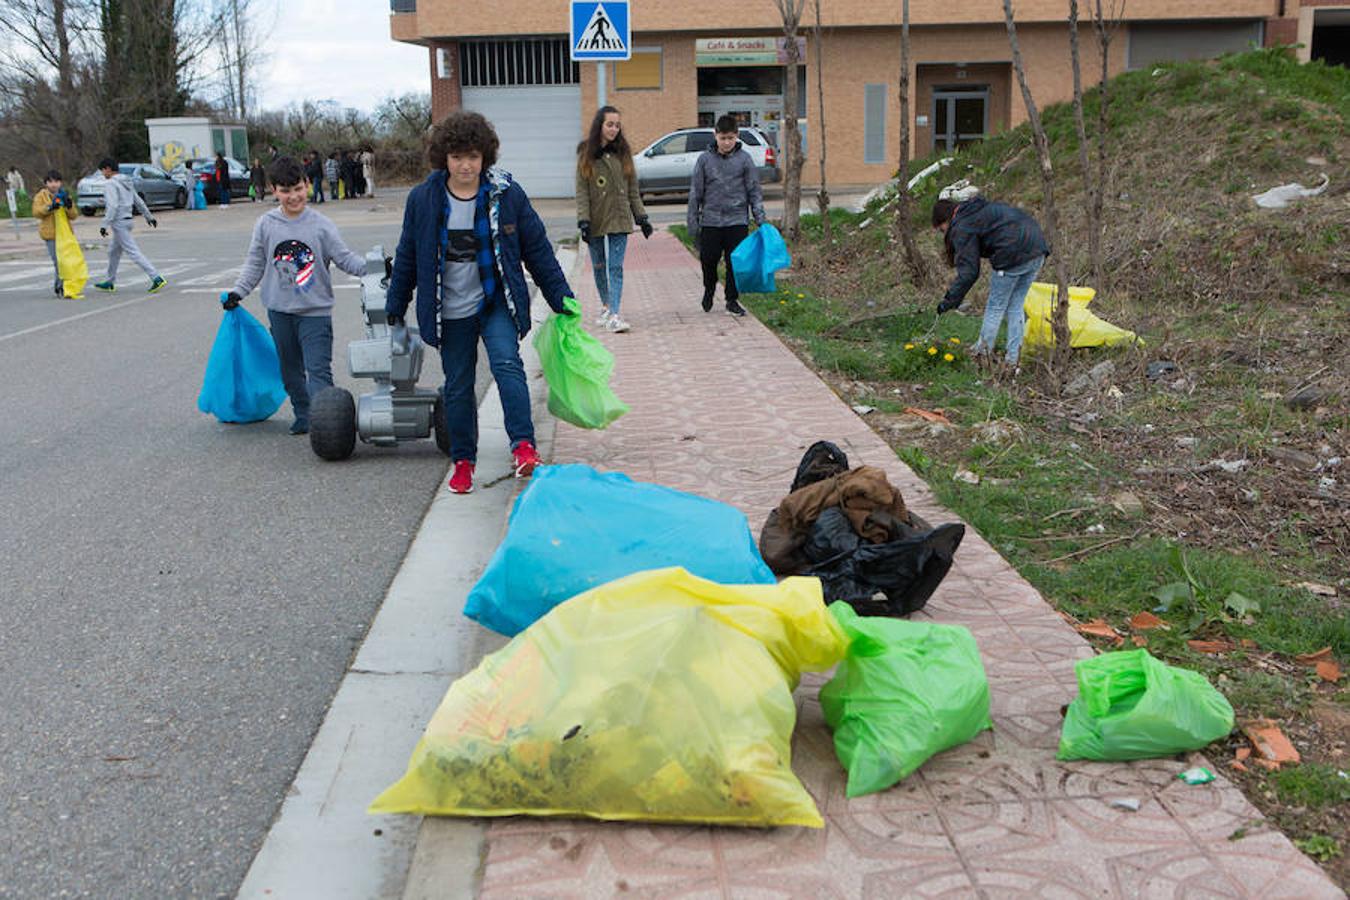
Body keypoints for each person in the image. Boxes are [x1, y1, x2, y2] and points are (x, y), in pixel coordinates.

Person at [385, 110, 575, 495]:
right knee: (457, 385)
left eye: (473, 156)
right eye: (457, 157)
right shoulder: (424, 199)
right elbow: (408, 253)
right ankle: (463, 461)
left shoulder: (507, 194)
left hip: (494, 301)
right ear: (444, 158)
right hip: (449, 309)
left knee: (508, 365)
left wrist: (560, 296)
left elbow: (536, 248)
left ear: (485, 156)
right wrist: (397, 299)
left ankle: (523, 447)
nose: (466, 165)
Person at [221, 156, 365, 435]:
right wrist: (238, 291)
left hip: (315, 313)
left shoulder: (322, 225)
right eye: (285, 191)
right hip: (280, 311)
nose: (293, 196)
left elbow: (345, 258)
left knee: (319, 372)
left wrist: (375, 268)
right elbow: (255, 263)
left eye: (298, 188)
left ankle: (326, 424)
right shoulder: (266, 224)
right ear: (274, 190)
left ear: (308, 185)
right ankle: (303, 413)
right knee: (290, 372)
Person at [933, 196, 1049, 372]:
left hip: (1012, 253)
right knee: (1015, 306)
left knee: (996, 307)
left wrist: (949, 301)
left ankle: (982, 354)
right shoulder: (976, 211)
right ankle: (1013, 360)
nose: (943, 234)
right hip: (1037, 248)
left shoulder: (962, 226)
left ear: (945, 220)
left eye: (941, 230)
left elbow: (969, 273)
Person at [575, 105, 652, 334]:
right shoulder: (586, 154)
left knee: (615, 267)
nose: (614, 129)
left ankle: (615, 314)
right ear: (599, 125)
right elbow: (581, 191)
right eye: (610, 124)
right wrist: (584, 221)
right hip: (596, 218)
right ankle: (607, 306)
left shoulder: (623, 153)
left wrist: (642, 217)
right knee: (599, 266)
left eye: (617, 125)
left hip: (619, 217)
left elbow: (633, 190)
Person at [687, 115, 765, 317]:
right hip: (711, 221)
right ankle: (709, 288)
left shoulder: (745, 160)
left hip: (737, 220)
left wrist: (760, 219)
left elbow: (754, 191)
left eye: (730, 138)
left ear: (737, 136)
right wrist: (693, 223)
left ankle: (732, 300)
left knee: (734, 262)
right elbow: (696, 193)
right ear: (715, 135)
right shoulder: (704, 160)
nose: (727, 142)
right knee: (708, 260)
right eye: (723, 138)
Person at [92, 158, 165, 294]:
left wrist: (104, 225)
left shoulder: (110, 184)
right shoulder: (126, 181)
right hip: (127, 220)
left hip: (119, 222)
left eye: (102, 170)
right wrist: (148, 216)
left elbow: (112, 206)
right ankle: (109, 281)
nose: (102, 174)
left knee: (133, 252)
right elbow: (137, 200)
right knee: (113, 252)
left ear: (107, 169)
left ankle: (156, 277)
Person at [31, 170, 79, 297]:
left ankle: (63, 285)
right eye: (50, 182)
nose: (53, 184)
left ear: (60, 183)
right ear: (46, 183)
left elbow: (74, 215)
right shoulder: (41, 196)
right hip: (50, 234)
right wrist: (49, 207)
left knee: (66, 261)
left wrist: (69, 206)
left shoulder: (64, 194)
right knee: (58, 261)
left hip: (65, 234)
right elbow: (36, 212)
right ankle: (60, 286)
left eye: (56, 181)